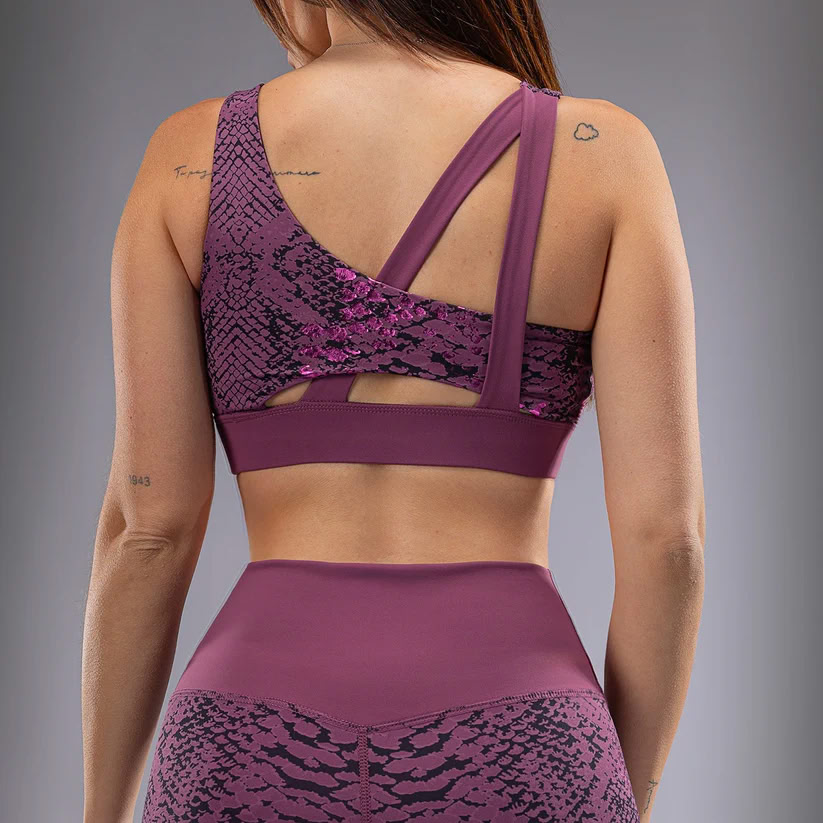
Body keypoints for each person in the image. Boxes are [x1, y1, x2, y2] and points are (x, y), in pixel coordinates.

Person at [81, 2, 705, 821]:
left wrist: (100, 812)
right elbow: (668, 543)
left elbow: (148, 532)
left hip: (247, 742)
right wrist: (617, 792)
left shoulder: (190, 155)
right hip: (522, 739)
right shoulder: (602, 152)